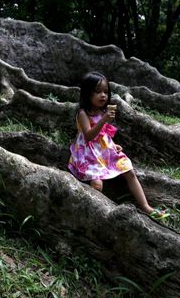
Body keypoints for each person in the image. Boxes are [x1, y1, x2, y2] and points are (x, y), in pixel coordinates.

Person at [67, 71, 168, 220]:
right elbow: (89, 136)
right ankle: (95, 214)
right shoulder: (83, 113)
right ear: (87, 93)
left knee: (129, 170)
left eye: (106, 92)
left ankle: (146, 207)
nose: (103, 95)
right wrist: (104, 120)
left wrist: (113, 144)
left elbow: (103, 134)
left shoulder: (102, 111)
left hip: (104, 150)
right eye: (97, 92)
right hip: (89, 153)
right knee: (96, 183)